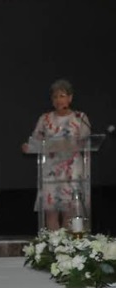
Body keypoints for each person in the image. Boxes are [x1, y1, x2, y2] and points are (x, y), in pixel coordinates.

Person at [21, 79, 91, 230]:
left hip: (72, 170)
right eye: (55, 97)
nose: (59, 100)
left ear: (70, 98)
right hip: (51, 171)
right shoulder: (45, 119)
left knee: (69, 212)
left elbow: (87, 142)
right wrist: (29, 147)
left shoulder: (80, 118)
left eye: (62, 96)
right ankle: (53, 247)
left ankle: (67, 249)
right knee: (51, 212)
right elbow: (36, 141)